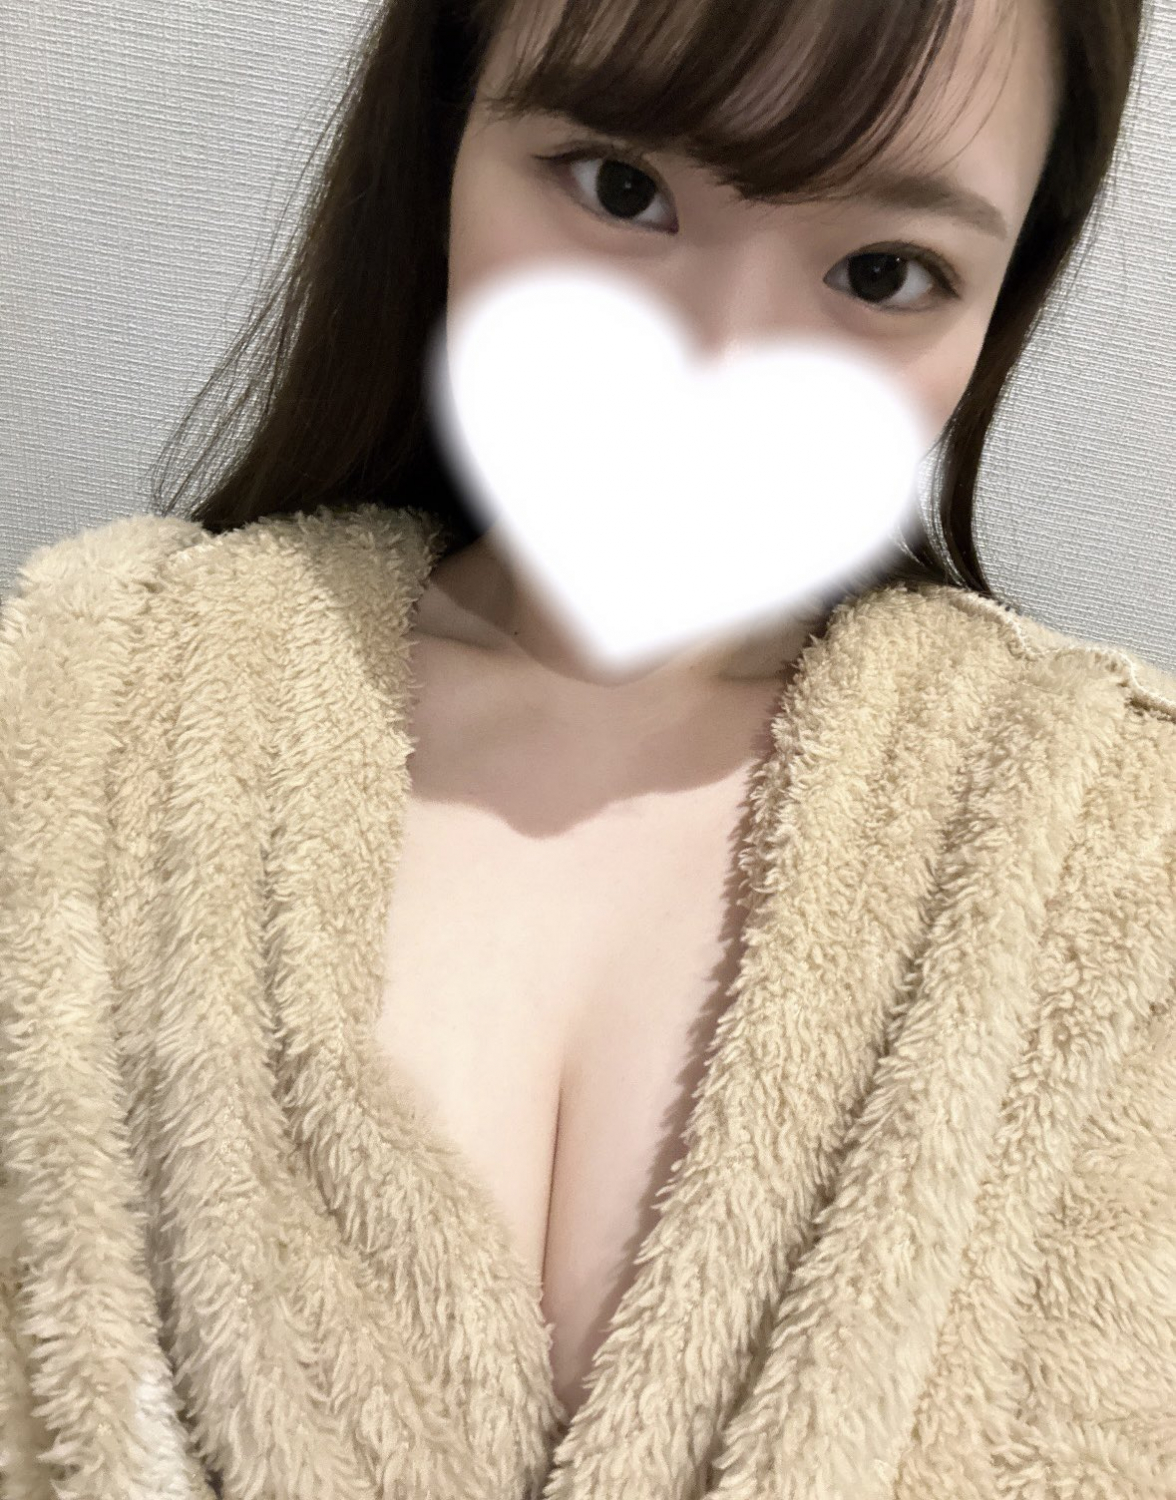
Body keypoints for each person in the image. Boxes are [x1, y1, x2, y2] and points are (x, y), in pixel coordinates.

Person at [2, 0, 1173, 1495]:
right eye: (624, 187)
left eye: (884, 272)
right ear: (443, 139)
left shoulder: (1126, 854)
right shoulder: (69, 720)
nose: (716, 363)